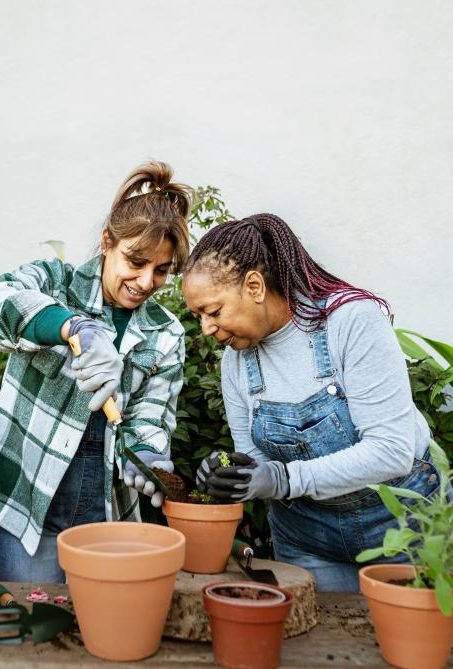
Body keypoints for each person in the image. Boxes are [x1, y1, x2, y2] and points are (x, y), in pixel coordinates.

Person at [182, 213, 436, 592]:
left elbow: (391, 451)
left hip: (403, 529)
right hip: (307, 540)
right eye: (198, 316)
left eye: (214, 311)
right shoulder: (234, 362)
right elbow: (260, 466)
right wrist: (233, 474)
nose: (206, 328)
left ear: (253, 286)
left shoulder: (351, 322)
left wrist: (284, 478)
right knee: (316, 646)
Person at [0, 161, 193, 582]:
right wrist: (72, 326)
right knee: (33, 634)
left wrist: (145, 456)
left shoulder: (166, 333)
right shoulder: (55, 284)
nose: (146, 281)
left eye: (161, 270)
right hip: (23, 501)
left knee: (102, 633)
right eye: (136, 260)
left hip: (106, 514)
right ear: (108, 242)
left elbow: (150, 418)